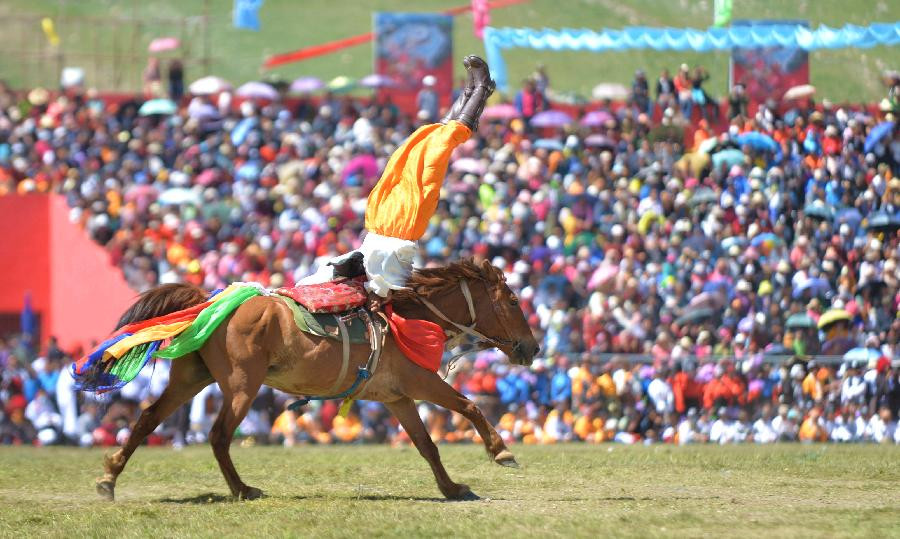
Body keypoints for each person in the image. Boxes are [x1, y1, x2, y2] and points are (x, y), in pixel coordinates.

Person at [301, 55, 495, 301]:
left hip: (382, 226)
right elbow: (388, 286)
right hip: (403, 227)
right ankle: (479, 90)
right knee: (433, 146)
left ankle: (472, 92)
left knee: (417, 144)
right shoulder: (392, 278)